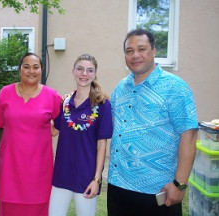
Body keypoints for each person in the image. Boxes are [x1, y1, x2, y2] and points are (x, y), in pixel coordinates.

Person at [107, 29, 198, 216]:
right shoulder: (121, 88)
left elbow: (189, 136)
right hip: (118, 187)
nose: (135, 55)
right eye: (129, 51)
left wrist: (179, 184)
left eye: (142, 49)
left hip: (157, 191)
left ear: (154, 50)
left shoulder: (175, 88)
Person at [0, 52, 62, 216]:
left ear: (41, 70)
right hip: (10, 167)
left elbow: (65, 121)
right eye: (26, 67)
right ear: (20, 70)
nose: (31, 71)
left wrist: (53, 127)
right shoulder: (5, 93)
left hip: (39, 170)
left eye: (36, 67)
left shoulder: (52, 96)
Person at [49, 54, 113, 216]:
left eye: (89, 70)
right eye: (80, 69)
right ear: (73, 71)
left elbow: (102, 144)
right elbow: (53, 131)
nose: (84, 74)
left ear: (94, 74)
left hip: (86, 176)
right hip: (62, 174)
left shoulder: (103, 105)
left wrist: (97, 179)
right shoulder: (65, 103)